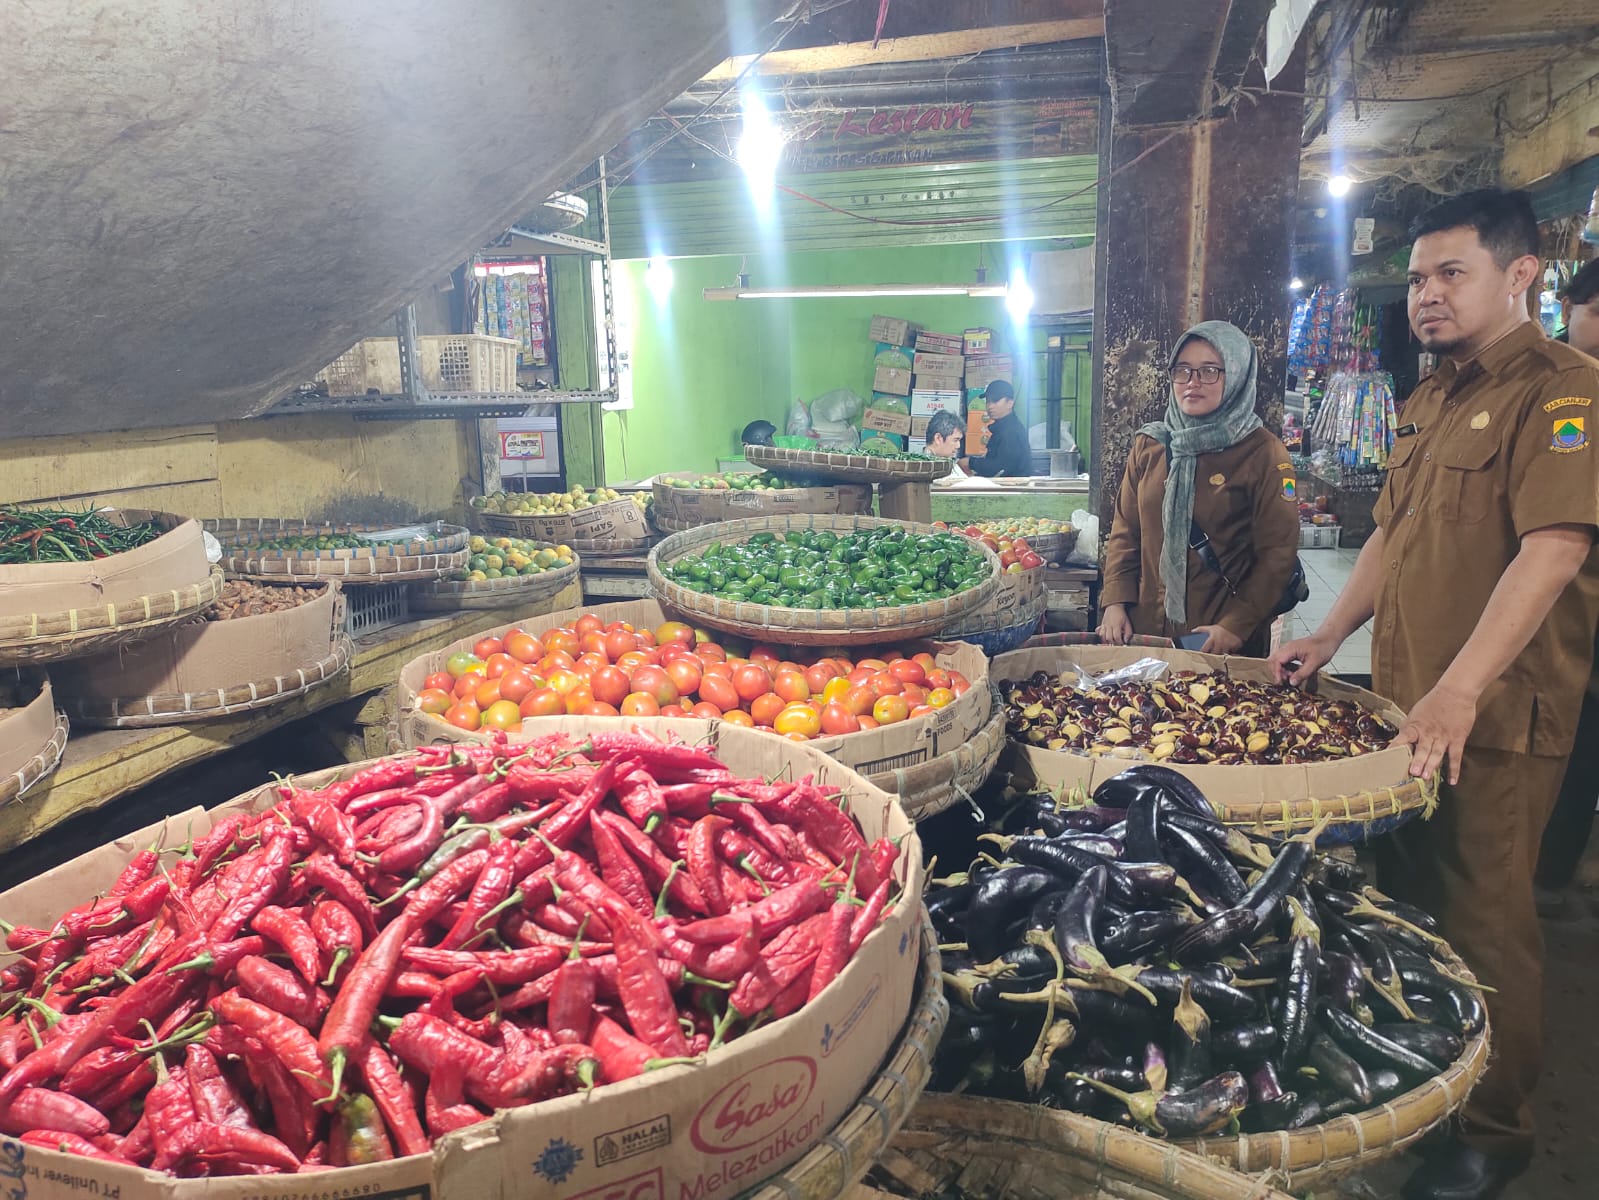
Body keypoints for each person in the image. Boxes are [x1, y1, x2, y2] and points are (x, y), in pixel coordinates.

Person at [1270, 189, 1599, 1200]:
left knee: (1486, 921)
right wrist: (1330, 632)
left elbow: (1554, 549)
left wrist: (1458, 692)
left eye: (1450, 273)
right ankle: (1427, 1080)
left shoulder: (1565, 392)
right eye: (1416, 278)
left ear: (1521, 274)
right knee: (1411, 907)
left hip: (1492, 720)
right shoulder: (1428, 399)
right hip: (1407, 712)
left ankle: (1494, 1136)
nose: (1425, 295)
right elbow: (1390, 537)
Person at [1096, 320, 1300, 657]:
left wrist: (1236, 625)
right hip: (1146, 632)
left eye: (1209, 371)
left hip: (1218, 640)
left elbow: (1277, 554)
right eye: (1183, 370)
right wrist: (1115, 602)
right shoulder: (1152, 445)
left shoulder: (1263, 453)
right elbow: (1126, 531)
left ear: (1235, 375)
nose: (1193, 383)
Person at [1536, 256, 1599, 909]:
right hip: (1563, 610)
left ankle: (1555, 860)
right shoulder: (1557, 391)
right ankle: (1551, 859)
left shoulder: (1574, 393)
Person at [963, 380, 1032, 477]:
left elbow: (1000, 468)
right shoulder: (1002, 428)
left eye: (995, 401)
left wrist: (971, 463)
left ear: (1010, 403)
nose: (990, 406)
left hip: (1011, 489)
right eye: (988, 401)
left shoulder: (1010, 432)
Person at [923, 409, 968, 483]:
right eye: (955, 440)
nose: (958, 446)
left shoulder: (949, 463)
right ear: (938, 438)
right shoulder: (922, 469)